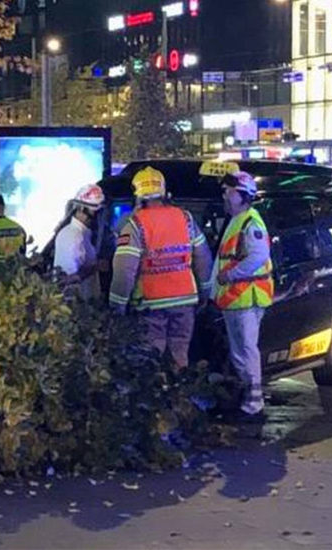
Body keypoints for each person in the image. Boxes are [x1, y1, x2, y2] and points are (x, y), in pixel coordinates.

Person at [109, 167, 213, 371]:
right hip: (185, 302)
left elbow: (124, 271)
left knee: (151, 359)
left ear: (137, 195)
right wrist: (205, 292)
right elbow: (203, 258)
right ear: (164, 192)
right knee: (179, 357)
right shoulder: (186, 218)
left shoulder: (135, 224)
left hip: (150, 305)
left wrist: (117, 306)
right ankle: (179, 398)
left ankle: (159, 398)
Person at [215, 171, 274, 425]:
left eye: (229, 192)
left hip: (248, 295)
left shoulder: (251, 223)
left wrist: (231, 276)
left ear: (242, 196)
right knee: (240, 351)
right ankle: (247, 400)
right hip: (236, 297)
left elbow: (258, 256)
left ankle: (254, 404)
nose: (225, 196)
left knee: (247, 350)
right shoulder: (237, 220)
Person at [53, 184, 106, 301]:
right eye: (94, 212)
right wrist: (96, 267)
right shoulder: (72, 236)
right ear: (81, 209)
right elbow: (69, 278)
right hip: (76, 306)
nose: (96, 216)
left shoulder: (83, 234)